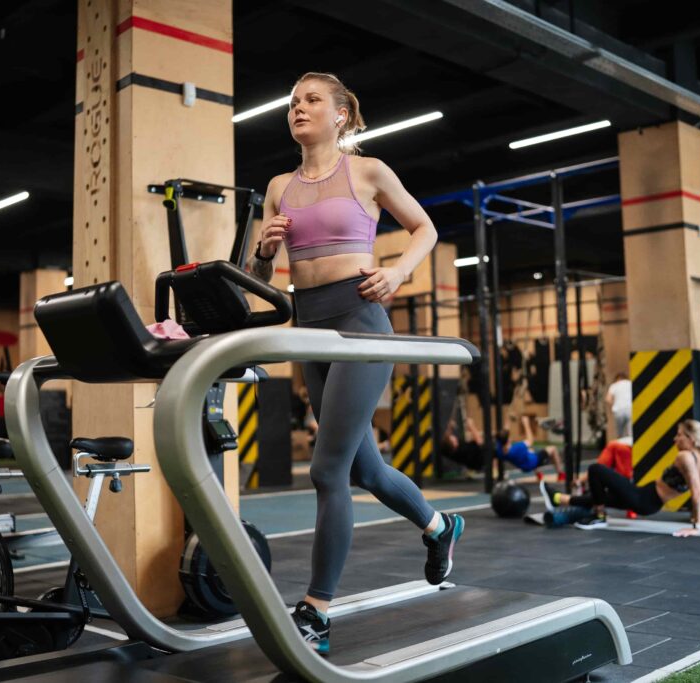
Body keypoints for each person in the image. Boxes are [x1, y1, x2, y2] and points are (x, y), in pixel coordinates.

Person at [248, 71, 463, 655]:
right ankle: (440, 527)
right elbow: (256, 277)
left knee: (326, 471)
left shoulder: (367, 171)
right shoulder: (277, 186)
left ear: (340, 115)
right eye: (293, 102)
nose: (299, 108)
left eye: (312, 100)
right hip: (309, 328)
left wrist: (395, 273)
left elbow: (425, 227)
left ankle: (316, 609)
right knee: (364, 471)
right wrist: (264, 252)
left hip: (361, 322)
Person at [540, 419, 700, 538]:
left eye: (679, 435)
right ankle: (558, 499)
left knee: (595, 469)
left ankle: (598, 516)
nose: (675, 439)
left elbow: (697, 492)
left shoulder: (685, 457)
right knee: (603, 497)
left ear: (690, 438)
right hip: (648, 500)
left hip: (644, 499)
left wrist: (696, 526)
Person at [496, 415, 565, 481]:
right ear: (508, 440)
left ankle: (538, 474)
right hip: (533, 463)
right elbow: (530, 440)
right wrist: (526, 424)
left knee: (529, 450)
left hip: (523, 466)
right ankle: (561, 474)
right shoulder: (517, 448)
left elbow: (505, 431)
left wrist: (508, 418)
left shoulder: (499, 449)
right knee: (553, 449)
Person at [605, 372, 632, 439]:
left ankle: (620, 446)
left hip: (618, 410)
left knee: (620, 432)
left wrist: (615, 403)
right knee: (631, 432)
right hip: (630, 409)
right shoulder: (630, 383)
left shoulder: (614, 385)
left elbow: (608, 399)